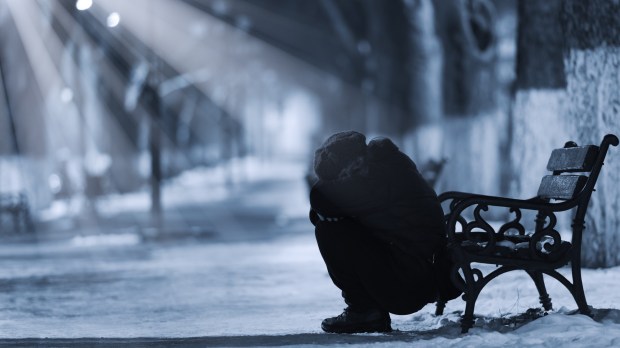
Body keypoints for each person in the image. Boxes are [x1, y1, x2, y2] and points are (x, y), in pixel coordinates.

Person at [309, 131, 461, 334]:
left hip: (412, 282)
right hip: (418, 270)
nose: (343, 183)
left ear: (355, 162)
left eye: (342, 177)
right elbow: (320, 207)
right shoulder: (385, 166)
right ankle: (366, 310)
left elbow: (320, 197)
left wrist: (331, 195)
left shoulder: (378, 178)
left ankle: (364, 312)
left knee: (330, 231)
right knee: (336, 225)